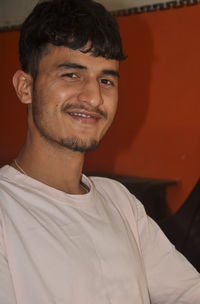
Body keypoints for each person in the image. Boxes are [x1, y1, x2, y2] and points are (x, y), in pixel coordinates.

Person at [0, 0, 200, 303]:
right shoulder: (7, 210)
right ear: (25, 87)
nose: (94, 97)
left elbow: (187, 291)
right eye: (71, 74)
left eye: (106, 80)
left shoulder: (121, 202)